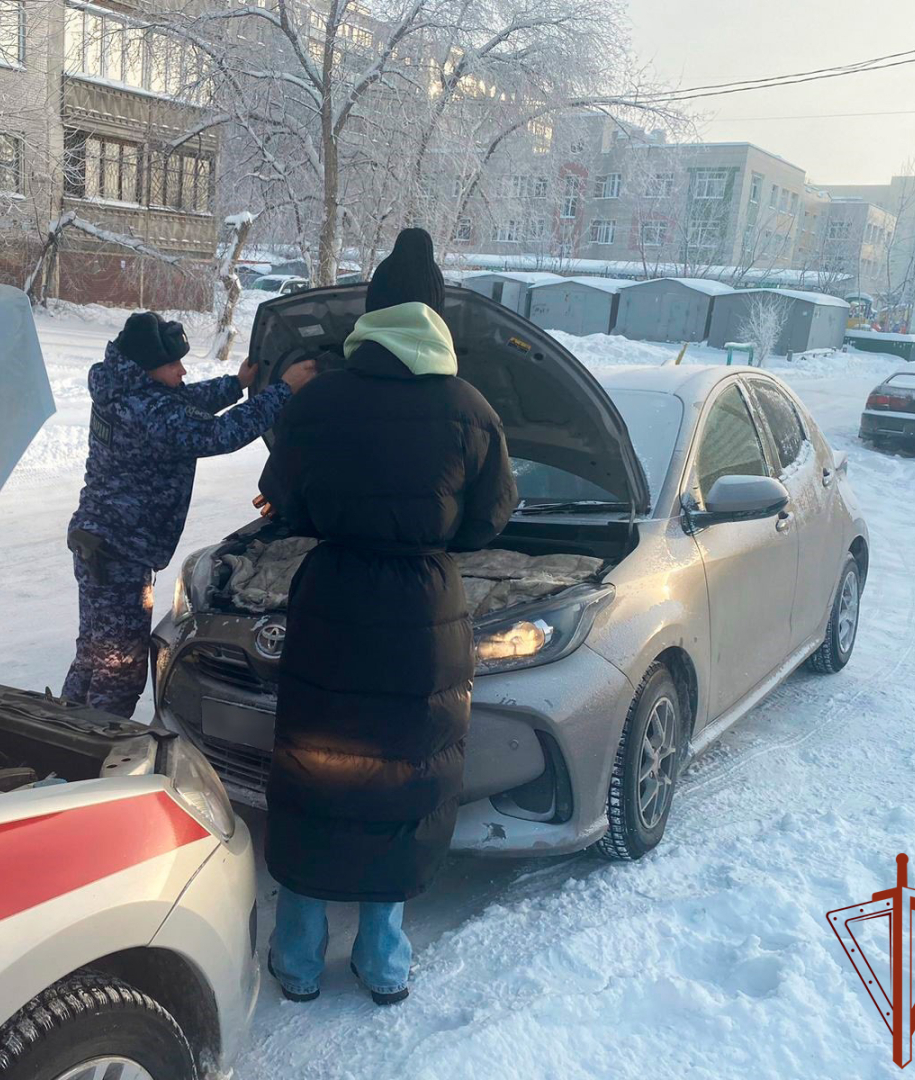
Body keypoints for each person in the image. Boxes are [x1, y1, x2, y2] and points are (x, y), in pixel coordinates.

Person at [256, 228, 518, 1005]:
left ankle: (297, 961)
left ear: (372, 316)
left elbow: (286, 503)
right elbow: (488, 522)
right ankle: (384, 962)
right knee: (402, 782)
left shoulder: (320, 400)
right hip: (423, 615)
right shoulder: (471, 409)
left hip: (331, 604)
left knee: (318, 777)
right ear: (436, 320)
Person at [63, 312, 315, 718]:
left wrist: (236, 385)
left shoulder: (122, 388)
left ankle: (62, 733)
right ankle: (93, 756)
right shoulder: (150, 412)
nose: (182, 370)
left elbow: (183, 398)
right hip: (121, 554)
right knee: (120, 670)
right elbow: (220, 434)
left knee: (94, 654)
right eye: (173, 364)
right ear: (147, 368)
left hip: (99, 542)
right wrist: (284, 390)